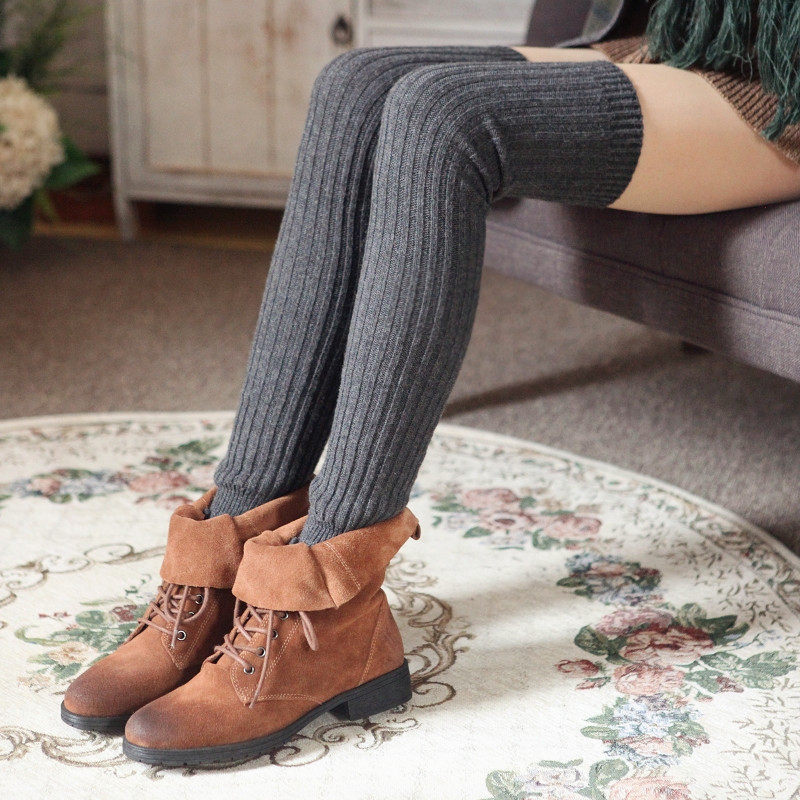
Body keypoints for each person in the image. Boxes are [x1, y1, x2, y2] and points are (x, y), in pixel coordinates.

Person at [61, 0, 800, 767]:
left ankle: (330, 606)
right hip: (690, 41)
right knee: (353, 84)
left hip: (781, 81)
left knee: (442, 117)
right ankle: (225, 556)